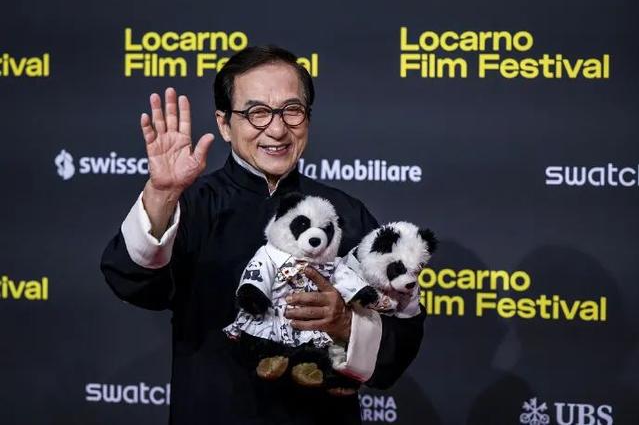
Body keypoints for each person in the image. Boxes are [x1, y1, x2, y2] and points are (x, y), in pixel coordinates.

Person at [101, 45, 425, 425]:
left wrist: (348, 325)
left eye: (292, 110)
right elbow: (133, 282)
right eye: (257, 112)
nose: (277, 129)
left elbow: (399, 343)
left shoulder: (344, 214)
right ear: (225, 124)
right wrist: (161, 195)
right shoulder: (192, 205)